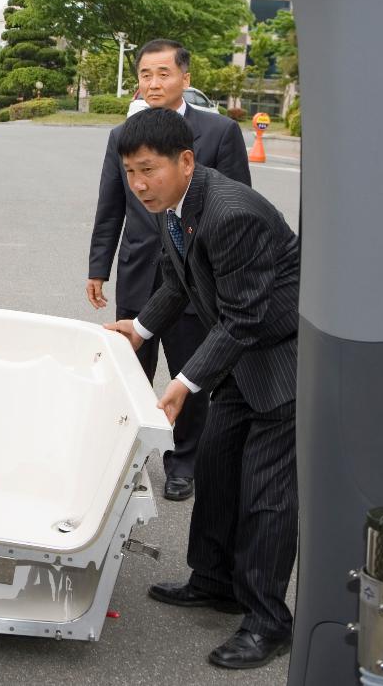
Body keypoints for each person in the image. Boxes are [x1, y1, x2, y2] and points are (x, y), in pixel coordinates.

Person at [104, 108, 298, 671]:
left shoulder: (232, 213)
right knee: (214, 465)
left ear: (186, 162)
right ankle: (213, 581)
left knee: (266, 494)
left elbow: (241, 318)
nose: (139, 186)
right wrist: (138, 330)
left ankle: (267, 624)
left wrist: (183, 383)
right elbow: (177, 283)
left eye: (149, 171)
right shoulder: (174, 207)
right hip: (240, 357)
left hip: (280, 357)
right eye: (130, 174)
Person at [86, 38, 251, 501]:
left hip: (197, 280)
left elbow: (236, 204)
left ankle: (183, 462)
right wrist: (99, 265)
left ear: (185, 78)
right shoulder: (123, 135)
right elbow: (110, 204)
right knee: (132, 368)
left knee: (190, 370)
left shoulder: (218, 133)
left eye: (163, 73)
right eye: (145, 74)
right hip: (139, 270)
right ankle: (127, 456)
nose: (153, 82)